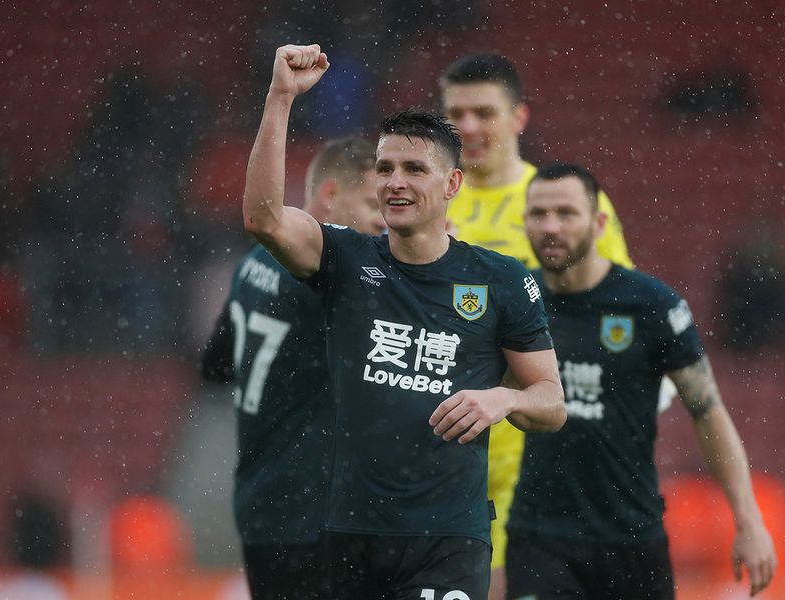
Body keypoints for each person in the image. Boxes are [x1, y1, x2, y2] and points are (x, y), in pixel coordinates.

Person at [241, 43, 567, 599]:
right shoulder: (346, 259)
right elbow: (264, 218)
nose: (396, 181)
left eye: (415, 169)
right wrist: (280, 98)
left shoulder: (502, 279)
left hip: (447, 538)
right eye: (386, 168)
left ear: (453, 185)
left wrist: (504, 400)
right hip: (345, 534)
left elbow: (551, 400)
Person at [505, 162, 777, 599]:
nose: (550, 226)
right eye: (538, 214)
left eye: (566, 213)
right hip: (540, 537)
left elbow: (707, 411)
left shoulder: (651, 306)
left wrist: (748, 523)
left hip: (630, 538)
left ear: (598, 223)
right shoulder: (517, 303)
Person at [438, 52, 635, 597]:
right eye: (456, 114)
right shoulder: (429, 208)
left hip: (544, 451)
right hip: (452, 449)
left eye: (484, 112)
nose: (469, 127)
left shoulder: (559, 206)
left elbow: (619, 318)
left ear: (519, 117)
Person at [202, 135, 385, 599]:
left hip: (262, 506)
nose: (382, 220)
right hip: (316, 510)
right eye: (371, 202)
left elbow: (216, 364)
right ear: (329, 196)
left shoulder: (251, 265)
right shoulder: (328, 275)